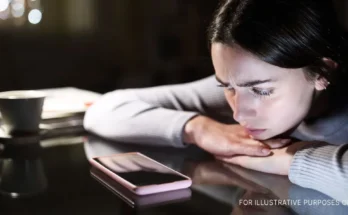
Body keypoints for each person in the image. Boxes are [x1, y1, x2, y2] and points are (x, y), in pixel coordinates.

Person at [83, 0, 348, 201]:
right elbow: (105, 110)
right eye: (226, 86)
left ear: (322, 73)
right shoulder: (244, 82)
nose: (239, 115)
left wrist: (291, 159)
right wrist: (199, 128)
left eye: (262, 90)